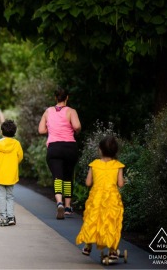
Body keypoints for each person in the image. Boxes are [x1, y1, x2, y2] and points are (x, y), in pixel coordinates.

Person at [76, 136, 125, 259]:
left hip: (96, 197)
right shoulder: (118, 166)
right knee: (111, 222)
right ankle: (113, 251)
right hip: (112, 198)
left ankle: (88, 247)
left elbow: (88, 183)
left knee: (93, 220)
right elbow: (120, 184)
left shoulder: (94, 164)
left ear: (100, 150)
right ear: (115, 151)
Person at [38, 87, 81, 219]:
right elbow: (77, 126)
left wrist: (51, 128)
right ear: (67, 97)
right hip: (69, 147)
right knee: (68, 176)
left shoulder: (48, 111)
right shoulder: (71, 111)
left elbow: (41, 130)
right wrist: (75, 131)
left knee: (57, 177)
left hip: (54, 148)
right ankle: (68, 207)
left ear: (55, 98)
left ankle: (59, 203)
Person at [0, 120, 24, 226]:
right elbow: (20, 157)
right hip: (11, 174)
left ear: (1, 131)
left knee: (0, 197)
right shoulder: (16, 144)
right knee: (10, 196)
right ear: (14, 132)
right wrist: (13, 164)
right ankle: (11, 217)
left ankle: (3, 217)